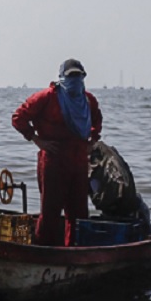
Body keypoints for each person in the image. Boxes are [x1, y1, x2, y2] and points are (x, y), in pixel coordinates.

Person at [11, 58, 103, 246]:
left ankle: (75, 251)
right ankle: (43, 249)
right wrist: (36, 139)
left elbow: (97, 122)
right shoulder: (46, 98)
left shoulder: (88, 100)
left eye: (79, 76)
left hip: (78, 161)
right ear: (61, 77)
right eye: (71, 76)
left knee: (78, 212)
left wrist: (92, 141)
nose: (75, 80)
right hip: (53, 160)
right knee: (50, 211)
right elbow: (18, 118)